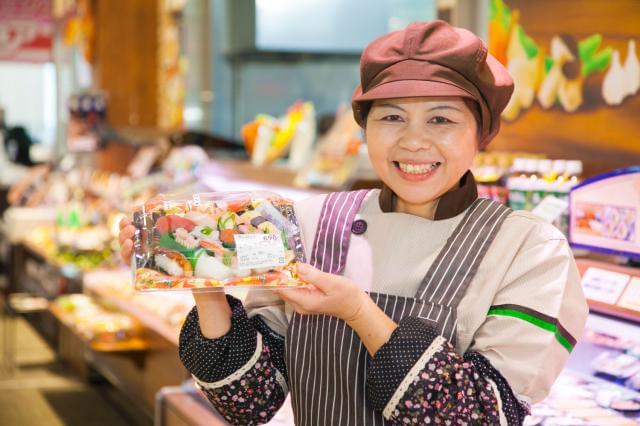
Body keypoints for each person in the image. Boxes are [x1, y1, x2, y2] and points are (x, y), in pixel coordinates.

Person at [120, 20, 587, 425]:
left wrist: (360, 313)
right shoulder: (308, 221)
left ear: (482, 133)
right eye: (391, 117)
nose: (413, 142)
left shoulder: (529, 250)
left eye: (441, 119)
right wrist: (202, 274)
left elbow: (484, 417)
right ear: (364, 130)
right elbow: (251, 402)